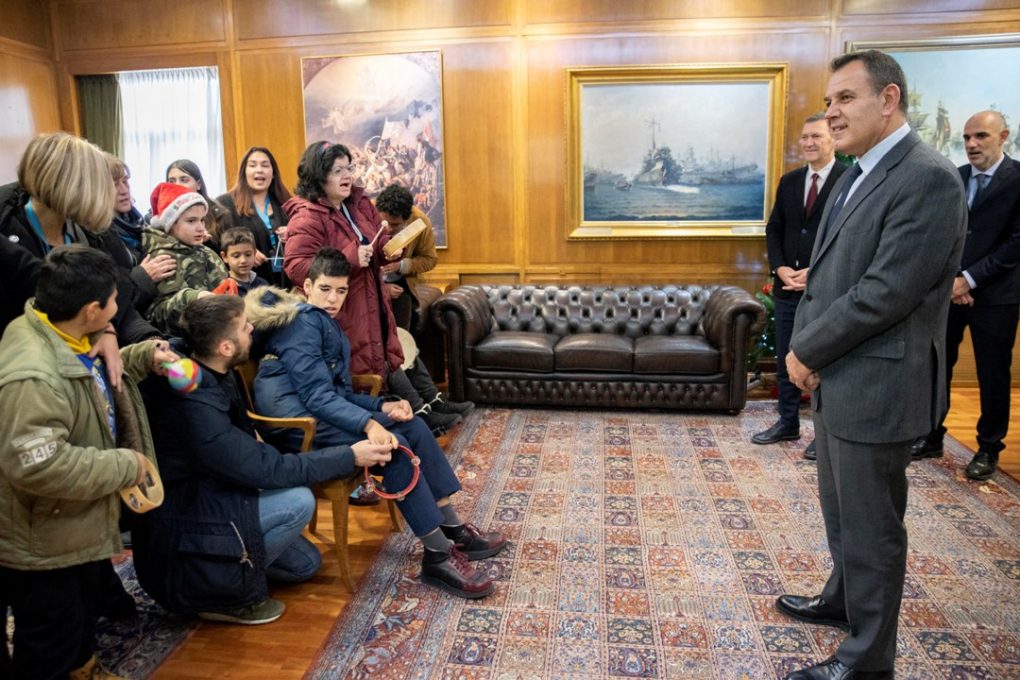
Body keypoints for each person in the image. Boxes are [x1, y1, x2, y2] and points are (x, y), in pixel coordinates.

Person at [776, 51, 966, 680]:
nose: (831, 113)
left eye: (845, 99)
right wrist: (814, 347)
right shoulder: (857, 171)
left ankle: (866, 662)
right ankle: (842, 600)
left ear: (888, 99)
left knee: (873, 528)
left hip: (879, 381)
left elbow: (886, 292)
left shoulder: (927, 177)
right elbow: (837, 272)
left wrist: (807, 349)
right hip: (843, 375)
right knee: (842, 513)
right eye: (828, 101)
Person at [248, 248, 505, 599]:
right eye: (325, 289)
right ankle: (437, 554)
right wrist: (370, 424)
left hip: (316, 414)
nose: (333, 298)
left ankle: (452, 527)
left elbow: (335, 393)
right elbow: (318, 398)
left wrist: (383, 405)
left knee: (414, 427)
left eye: (341, 290)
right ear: (307, 287)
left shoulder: (320, 321)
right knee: (393, 449)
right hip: (297, 427)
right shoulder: (303, 325)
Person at [133, 295, 393, 624]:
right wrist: (350, 455)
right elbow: (270, 469)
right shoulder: (194, 408)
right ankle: (222, 596)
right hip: (188, 522)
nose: (252, 329)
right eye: (245, 327)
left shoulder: (206, 367)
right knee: (299, 502)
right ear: (225, 347)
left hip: (217, 493)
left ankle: (231, 571)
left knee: (305, 565)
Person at [0, 245, 172, 678]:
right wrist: (125, 466)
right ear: (91, 310)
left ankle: (85, 667)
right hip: (43, 540)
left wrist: (139, 357)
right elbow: (36, 464)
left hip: (72, 524)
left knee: (80, 616)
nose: (117, 312)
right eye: (114, 302)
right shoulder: (32, 378)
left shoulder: (61, 328)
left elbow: (88, 382)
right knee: (49, 640)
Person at [283, 141, 470, 435]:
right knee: (362, 373)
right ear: (319, 175)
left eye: (349, 168)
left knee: (385, 360)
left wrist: (389, 249)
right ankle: (399, 429)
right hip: (343, 311)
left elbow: (376, 242)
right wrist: (349, 259)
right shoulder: (307, 216)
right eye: (337, 170)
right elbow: (296, 268)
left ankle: (416, 420)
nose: (347, 175)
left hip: (373, 302)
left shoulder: (358, 204)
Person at [910, 110, 1020, 481]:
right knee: (938, 365)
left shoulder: (1018, 179)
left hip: (996, 296)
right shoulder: (954, 178)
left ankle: (988, 448)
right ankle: (932, 435)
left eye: (981, 136)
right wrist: (953, 281)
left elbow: (1015, 244)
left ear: (1003, 136)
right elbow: (938, 234)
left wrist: (969, 280)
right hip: (949, 292)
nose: (972, 144)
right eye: (967, 137)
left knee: (993, 374)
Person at [0, 132, 160, 347]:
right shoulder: (9, 236)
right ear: (70, 186)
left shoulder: (88, 232)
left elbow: (116, 302)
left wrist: (149, 340)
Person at [753, 113, 847, 461]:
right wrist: (779, 269)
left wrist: (817, 272)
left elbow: (849, 237)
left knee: (824, 361)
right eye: (805, 137)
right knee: (785, 357)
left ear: (833, 139)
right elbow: (775, 228)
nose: (809, 143)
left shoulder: (849, 180)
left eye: (816, 136)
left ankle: (824, 434)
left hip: (826, 290)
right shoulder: (790, 181)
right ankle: (787, 421)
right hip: (787, 287)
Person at [142, 182, 230, 335]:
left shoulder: (205, 252)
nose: (200, 227)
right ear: (170, 223)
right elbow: (157, 316)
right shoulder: (162, 259)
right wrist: (194, 298)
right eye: (191, 221)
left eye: (202, 220)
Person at [104, 155, 176, 315]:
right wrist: (143, 276)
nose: (124, 190)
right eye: (114, 184)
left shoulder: (140, 223)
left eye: (125, 181)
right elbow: (110, 298)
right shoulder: (99, 234)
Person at [216, 147, 292, 285]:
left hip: (286, 281)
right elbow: (218, 243)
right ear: (244, 172)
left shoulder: (286, 202)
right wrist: (245, 252)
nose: (259, 170)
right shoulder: (225, 204)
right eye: (252, 165)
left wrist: (293, 234)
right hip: (246, 285)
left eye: (265, 165)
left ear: (273, 173)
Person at [374, 183, 439, 330]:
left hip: (401, 286)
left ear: (407, 218)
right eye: (385, 222)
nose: (388, 229)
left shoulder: (420, 221)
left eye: (395, 225)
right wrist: (382, 288)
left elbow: (430, 259)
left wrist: (402, 265)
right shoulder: (367, 212)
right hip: (369, 285)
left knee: (401, 336)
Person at [164, 158, 231, 241]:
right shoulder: (159, 216)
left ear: (198, 184)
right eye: (172, 181)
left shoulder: (218, 214)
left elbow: (228, 246)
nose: (177, 185)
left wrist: (205, 242)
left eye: (184, 180)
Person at [220, 227, 268, 296]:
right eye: (236, 256)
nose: (243, 260)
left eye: (248, 255)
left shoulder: (263, 284)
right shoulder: (224, 289)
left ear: (254, 253)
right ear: (224, 257)